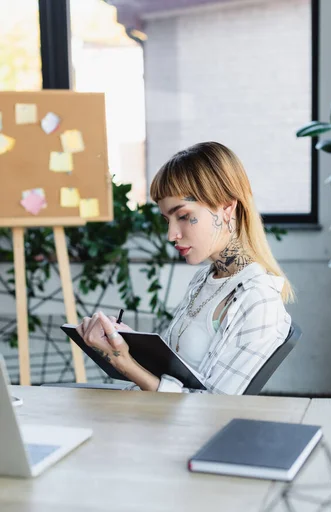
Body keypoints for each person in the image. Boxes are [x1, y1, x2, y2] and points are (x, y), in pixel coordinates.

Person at [77, 141, 293, 395]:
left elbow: (217, 406)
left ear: (226, 208)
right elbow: (179, 369)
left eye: (182, 216)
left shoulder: (258, 299)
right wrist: (127, 342)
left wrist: (126, 365)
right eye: (167, 219)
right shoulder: (206, 278)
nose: (171, 235)